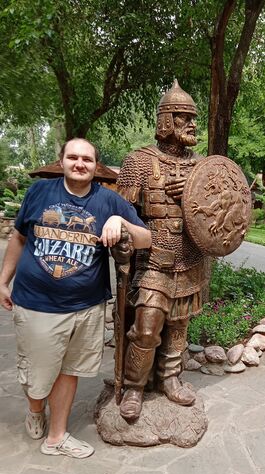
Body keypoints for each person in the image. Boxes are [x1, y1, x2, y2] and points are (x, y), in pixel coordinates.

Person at [0, 138, 151, 458]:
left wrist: (121, 222)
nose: (80, 163)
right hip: (37, 304)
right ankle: (36, 410)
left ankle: (56, 437)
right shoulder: (40, 192)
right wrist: (3, 281)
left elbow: (146, 238)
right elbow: (19, 237)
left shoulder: (108, 201)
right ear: (62, 161)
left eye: (87, 159)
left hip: (86, 306)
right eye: (73, 157)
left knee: (69, 370)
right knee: (37, 377)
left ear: (96, 166)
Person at [115, 80, 208, 422]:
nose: (192, 124)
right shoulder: (138, 162)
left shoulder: (203, 167)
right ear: (166, 120)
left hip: (190, 259)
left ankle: (170, 378)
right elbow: (121, 214)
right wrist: (122, 243)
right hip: (153, 261)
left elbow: (219, 211)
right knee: (146, 328)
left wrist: (195, 191)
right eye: (185, 117)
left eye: (193, 118)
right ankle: (134, 388)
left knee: (179, 326)